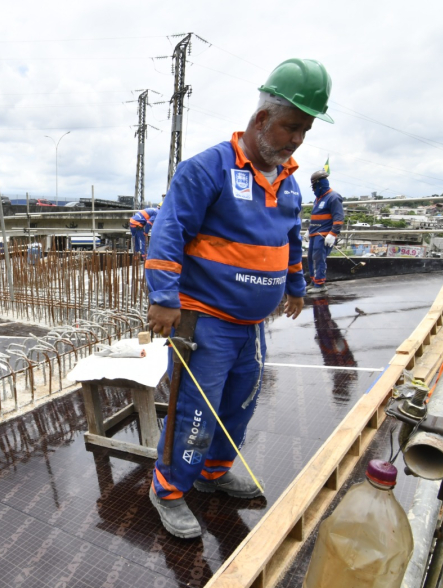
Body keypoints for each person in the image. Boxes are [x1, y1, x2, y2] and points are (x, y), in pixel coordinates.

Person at [145, 58, 333, 539]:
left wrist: (294, 286)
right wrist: (164, 296)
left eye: (304, 131)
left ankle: (211, 474)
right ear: (260, 120)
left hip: (252, 325)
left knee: (241, 402)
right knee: (195, 410)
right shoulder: (206, 169)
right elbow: (169, 232)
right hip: (206, 320)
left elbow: (291, 239)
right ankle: (168, 489)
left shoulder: (287, 181)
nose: (296, 140)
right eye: (291, 127)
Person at [305, 169, 344, 294]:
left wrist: (333, 234)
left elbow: (339, 218)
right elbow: (317, 217)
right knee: (311, 258)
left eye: (314, 186)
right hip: (314, 234)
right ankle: (313, 281)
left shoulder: (333, 197)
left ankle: (320, 284)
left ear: (319, 184)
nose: (313, 189)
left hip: (324, 235)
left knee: (319, 259)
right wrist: (308, 230)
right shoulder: (319, 199)